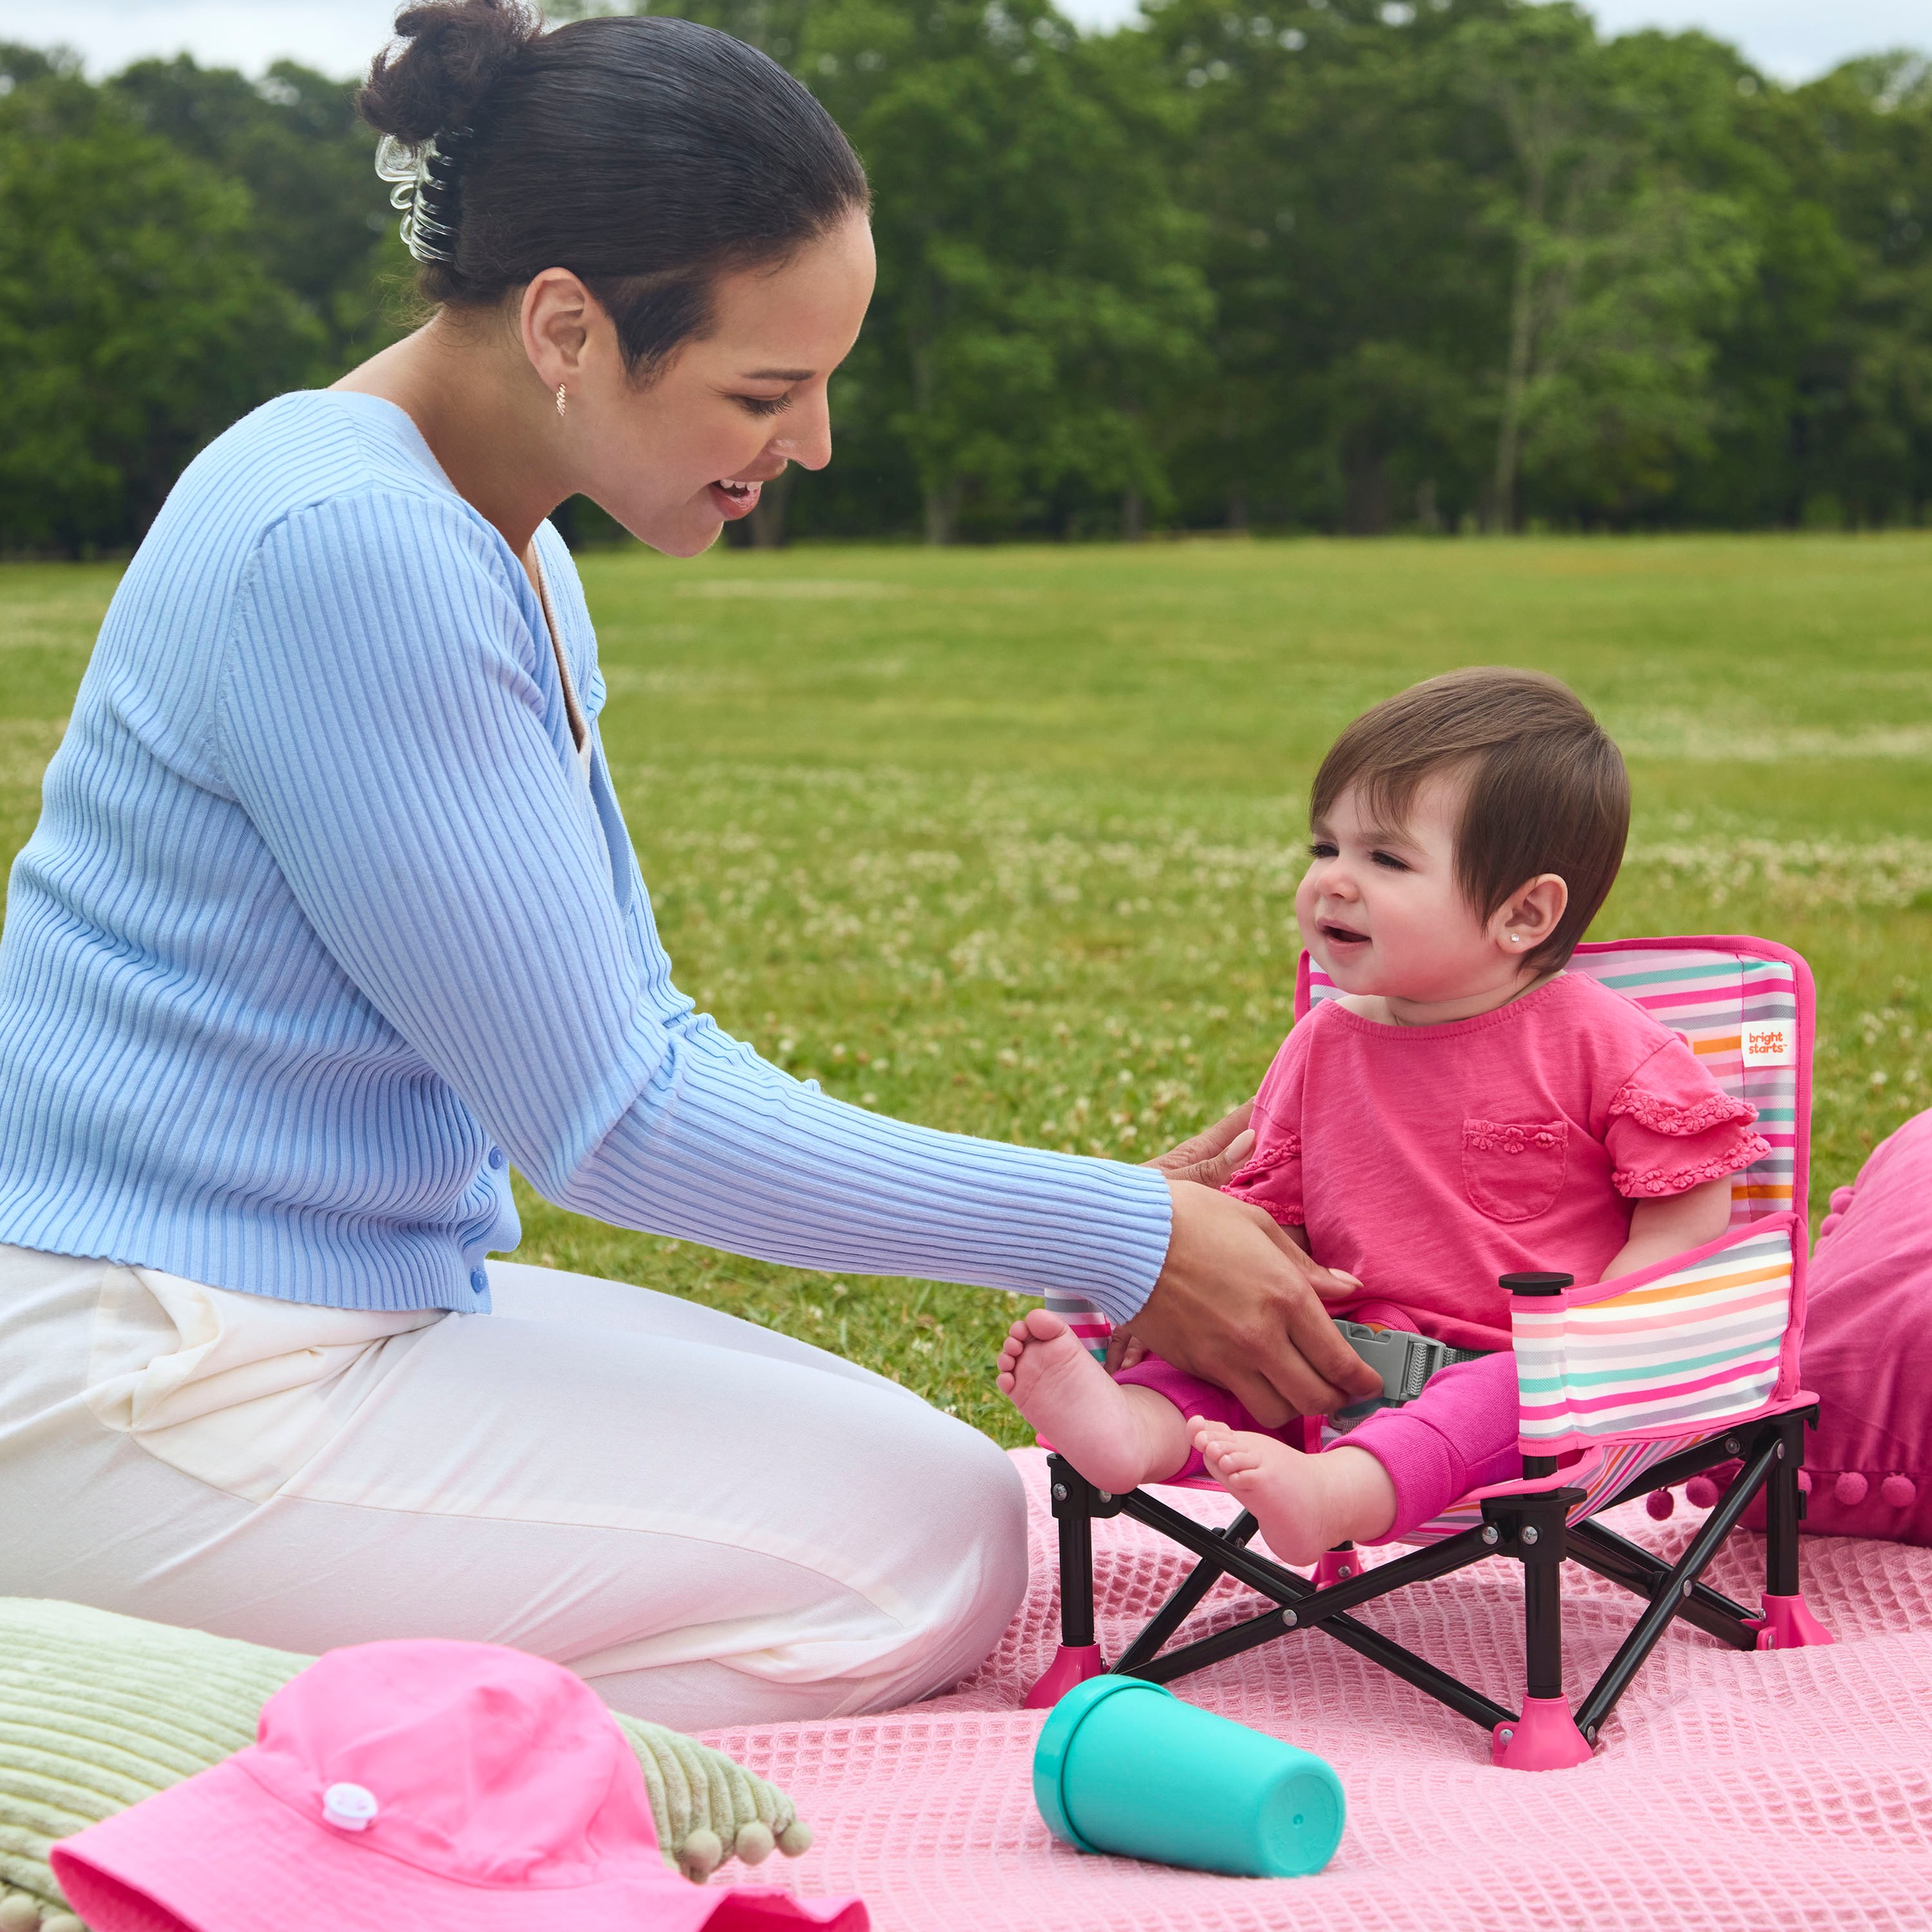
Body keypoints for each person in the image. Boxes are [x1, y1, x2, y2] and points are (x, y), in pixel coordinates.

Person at [0, 1, 1376, 1730]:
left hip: (318, 1306)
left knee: (937, 1488)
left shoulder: (495, 542)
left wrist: (1098, 1215)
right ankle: (139, 1717)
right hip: (145, 1375)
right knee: (931, 1557)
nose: (809, 447)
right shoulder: (350, 546)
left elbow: (639, 1021)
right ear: (567, 325)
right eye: (765, 389)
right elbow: (617, 1118)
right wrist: (1118, 1235)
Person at [1001, 668, 1771, 1562]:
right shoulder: (1324, 1042)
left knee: (1494, 1397)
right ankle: (1133, 1429)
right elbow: (1267, 1216)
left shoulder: (1606, 1045)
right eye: (1325, 847)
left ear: (1525, 912)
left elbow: (1685, 1217)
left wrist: (1595, 1336)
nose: (1333, 882)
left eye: (1386, 859)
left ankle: (1337, 1495)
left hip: (1524, 1374)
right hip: (1333, 1359)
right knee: (1235, 1352)